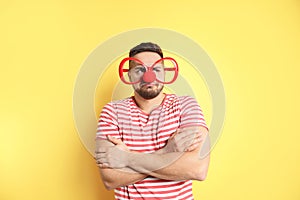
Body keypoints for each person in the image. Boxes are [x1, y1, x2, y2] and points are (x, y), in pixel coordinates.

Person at [95, 42, 210, 200]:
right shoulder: (112, 111)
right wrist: (167, 152)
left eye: (156, 69)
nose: (148, 76)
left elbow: (197, 168)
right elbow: (110, 178)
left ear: (164, 73)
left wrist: (126, 158)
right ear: (129, 75)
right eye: (139, 69)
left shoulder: (186, 105)